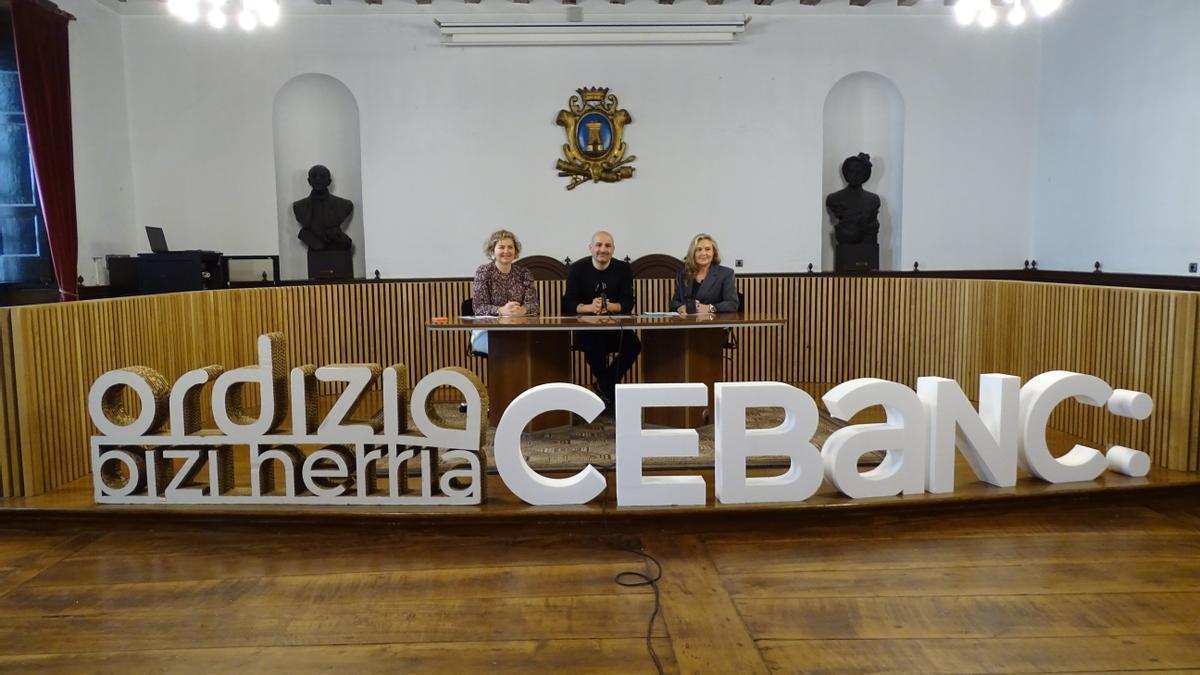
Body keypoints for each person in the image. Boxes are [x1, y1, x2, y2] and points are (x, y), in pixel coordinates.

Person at [562, 231, 640, 411]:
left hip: (615, 328)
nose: (602, 250)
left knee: (634, 345)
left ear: (613, 249)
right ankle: (609, 395)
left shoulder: (623, 269)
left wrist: (611, 307)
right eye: (598, 245)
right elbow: (568, 303)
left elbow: (628, 302)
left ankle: (602, 386)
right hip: (586, 327)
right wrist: (589, 307)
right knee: (593, 346)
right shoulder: (577, 268)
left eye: (607, 246)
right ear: (590, 248)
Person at [469, 230, 539, 354]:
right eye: (501, 247)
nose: (506, 251)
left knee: (541, 346)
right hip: (487, 332)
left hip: (519, 330)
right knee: (511, 349)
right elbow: (478, 307)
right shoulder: (483, 271)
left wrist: (521, 310)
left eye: (510, 247)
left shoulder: (524, 273)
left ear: (515, 252)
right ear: (492, 251)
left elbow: (534, 305)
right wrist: (501, 310)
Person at [669, 233, 740, 315]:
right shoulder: (683, 274)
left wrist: (710, 308)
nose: (703, 253)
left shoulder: (726, 274)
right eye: (699, 249)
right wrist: (679, 307)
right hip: (687, 323)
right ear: (693, 253)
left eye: (707, 249)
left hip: (713, 324)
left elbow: (732, 304)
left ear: (714, 253)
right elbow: (674, 303)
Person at [292, 165, 354, 251]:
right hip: (315, 252)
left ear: (329, 181)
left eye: (322, 176)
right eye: (314, 176)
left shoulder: (345, 205)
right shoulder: (298, 207)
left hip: (337, 253)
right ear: (309, 181)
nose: (318, 179)